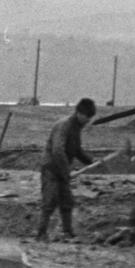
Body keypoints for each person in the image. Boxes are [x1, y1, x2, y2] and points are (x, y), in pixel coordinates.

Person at [37, 98, 99, 241]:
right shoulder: (64, 126)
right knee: (49, 201)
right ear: (79, 113)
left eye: (90, 118)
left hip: (62, 170)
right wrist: (66, 171)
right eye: (87, 117)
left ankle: (68, 232)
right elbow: (58, 150)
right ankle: (41, 234)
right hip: (51, 168)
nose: (88, 121)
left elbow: (76, 150)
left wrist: (90, 160)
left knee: (67, 201)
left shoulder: (77, 129)